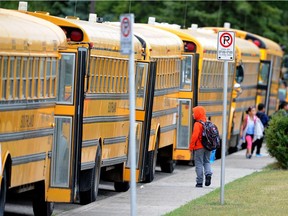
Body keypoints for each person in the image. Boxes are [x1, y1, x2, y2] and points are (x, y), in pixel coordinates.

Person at [189, 106, 212, 187]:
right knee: (207, 161)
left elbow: (194, 136)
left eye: (194, 112)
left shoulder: (197, 124)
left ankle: (199, 182)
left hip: (199, 147)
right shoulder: (207, 122)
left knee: (199, 163)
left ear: (198, 114)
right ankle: (208, 174)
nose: (192, 114)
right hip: (208, 146)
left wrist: (191, 147)